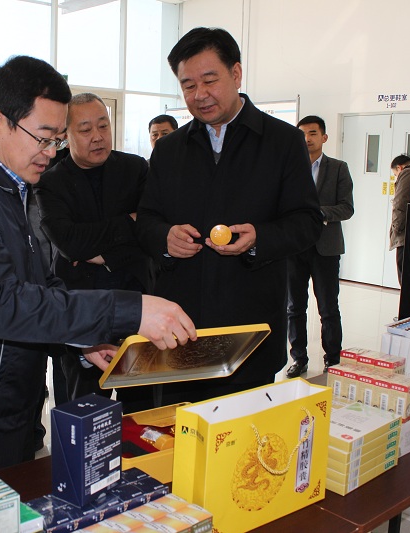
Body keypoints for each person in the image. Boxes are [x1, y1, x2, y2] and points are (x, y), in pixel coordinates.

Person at [0, 55, 196, 471]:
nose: (50, 153)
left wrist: (85, 339)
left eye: (57, 140)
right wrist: (131, 310)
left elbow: (40, 283)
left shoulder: (8, 187)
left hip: (9, 398)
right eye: (43, 138)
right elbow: (2, 303)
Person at [136, 27, 322, 406]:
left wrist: (260, 239)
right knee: (179, 432)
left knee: (243, 433)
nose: (199, 94)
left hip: (250, 329)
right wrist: (164, 238)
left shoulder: (282, 142)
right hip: (182, 331)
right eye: (188, 85)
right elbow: (147, 219)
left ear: (236, 74)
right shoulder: (169, 150)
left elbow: (307, 221)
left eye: (209, 80)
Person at [35, 93, 154, 406]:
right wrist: (127, 223)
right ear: (66, 135)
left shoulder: (135, 168)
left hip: (136, 301)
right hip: (81, 309)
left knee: (140, 406)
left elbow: (149, 230)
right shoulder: (51, 181)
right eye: (86, 129)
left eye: (103, 126)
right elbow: (70, 243)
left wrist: (100, 253)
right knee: (83, 406)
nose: (98, 136)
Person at [285, 115, 354, 378]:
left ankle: (332, 359)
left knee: (328, 308)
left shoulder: (338, 168)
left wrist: (318, 212)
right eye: (302, 134)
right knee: (294, 308)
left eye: (313, 133)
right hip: (295, 248)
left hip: (326, 249)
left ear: (324, 137)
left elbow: (347, 208)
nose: (307, 139)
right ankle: (298, 358)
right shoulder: (290, 168)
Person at [389, 154, 410, 286]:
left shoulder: (406, 173)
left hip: (404, 233)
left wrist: (396, 228)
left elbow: (400, 202)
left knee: (403, 274)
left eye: (395, 174)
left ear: (399, 168)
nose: (396, 177)